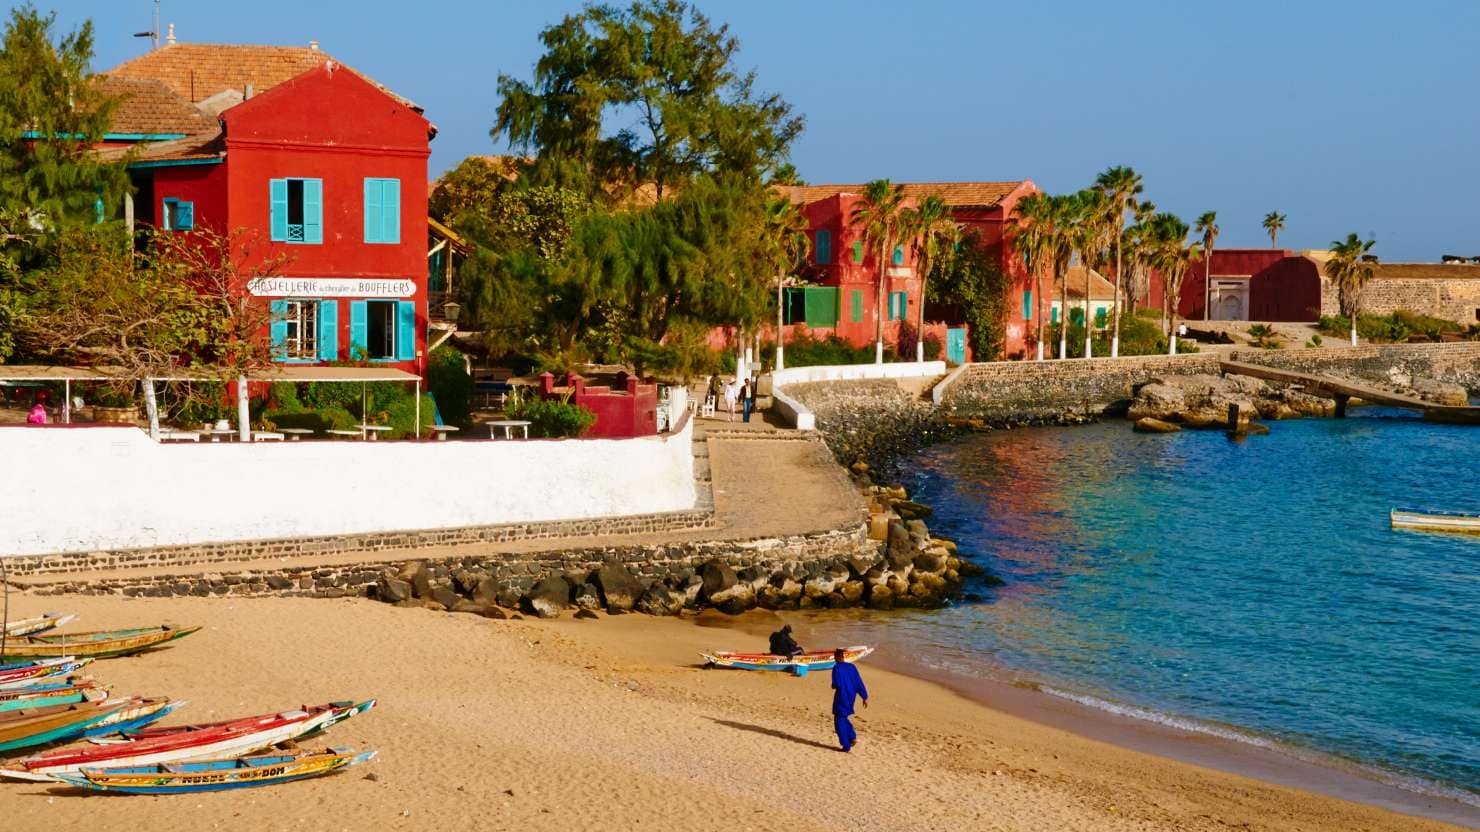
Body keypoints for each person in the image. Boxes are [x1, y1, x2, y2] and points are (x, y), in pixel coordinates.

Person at [830, 648, 869, 752]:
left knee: (839, 722)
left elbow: (836, 684)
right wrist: (864, 697)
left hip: (842, 696)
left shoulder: (836, 668)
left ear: (837, 657)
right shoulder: (852, 667)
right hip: (851, 696)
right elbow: (859, 682)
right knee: (843, 718)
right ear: (843, 657)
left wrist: (832, 685)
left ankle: (846, 745)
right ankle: (852, 736)